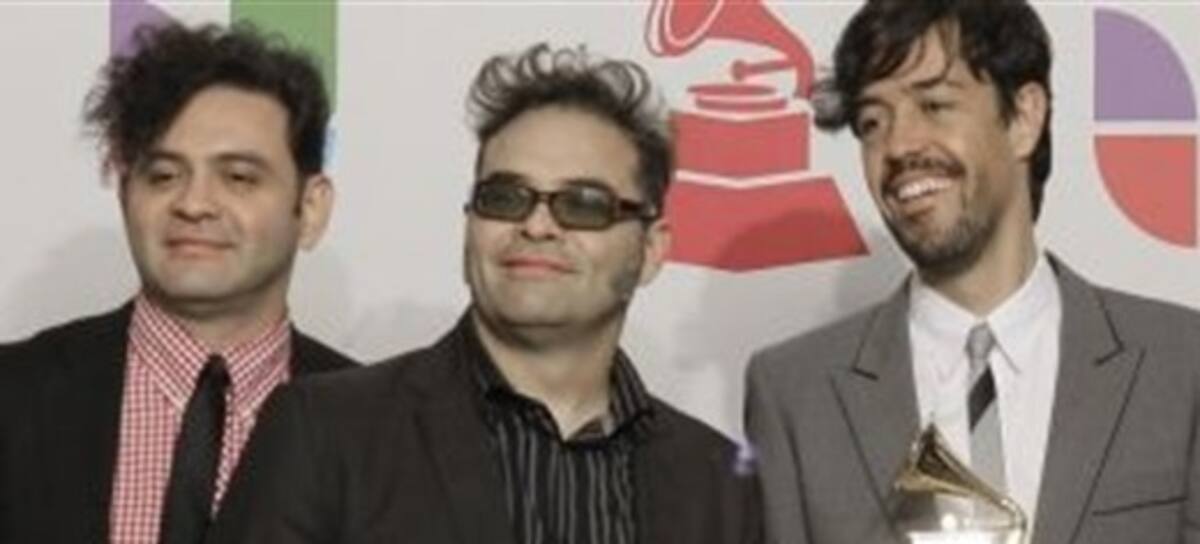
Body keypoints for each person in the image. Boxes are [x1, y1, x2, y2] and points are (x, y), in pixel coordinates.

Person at [210, 42, 761, 544]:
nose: (538, 226)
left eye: (583, 204)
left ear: (652, 249)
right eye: (506, 197)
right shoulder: (327, 432)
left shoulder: (718, 481)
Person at [746, 1, 1200, 543]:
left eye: (934, 104)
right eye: (872, 122)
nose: (898, 145)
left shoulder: (1182, 365)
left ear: (1024, 119)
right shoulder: (794, 393)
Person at [0, 22, 356, 544]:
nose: (193, 204)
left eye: (238, 177)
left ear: (311, 207)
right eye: (163, 175)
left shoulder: (382, 429)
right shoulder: (15, 396)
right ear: (125, 194)